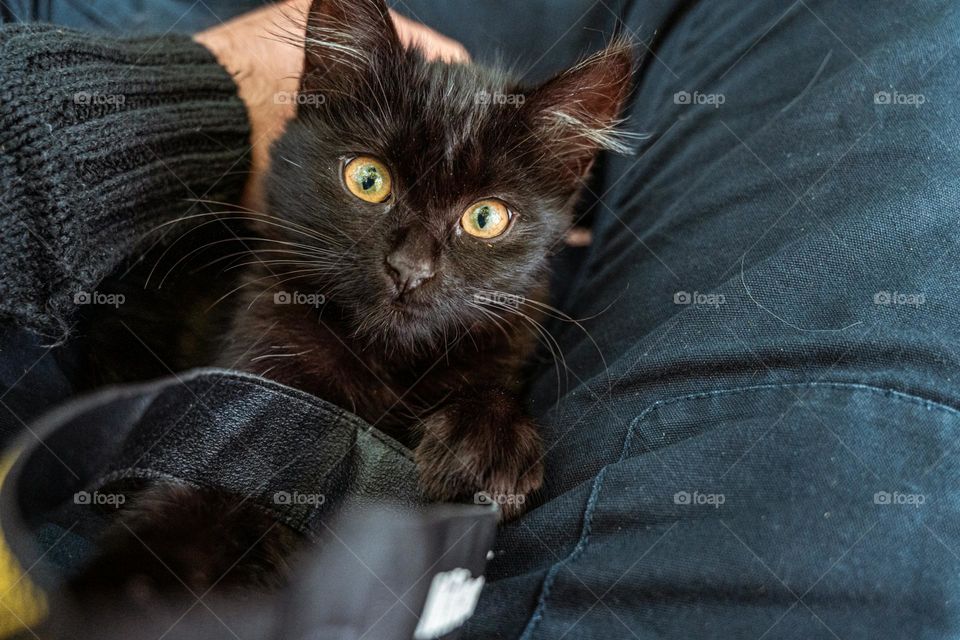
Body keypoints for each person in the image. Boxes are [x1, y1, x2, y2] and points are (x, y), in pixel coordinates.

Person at [2, 1, 960, 638]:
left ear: (555, 199)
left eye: (484, 219)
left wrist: (493, 416)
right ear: (305, 125)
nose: (416, 266)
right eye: (368, 181)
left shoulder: (510, 336)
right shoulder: (278, 299)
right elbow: (211, 514)